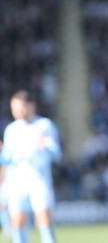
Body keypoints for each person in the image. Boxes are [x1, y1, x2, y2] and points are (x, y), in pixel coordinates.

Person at [1, 90, 62, 243]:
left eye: (20, 107)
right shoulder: (11, 130)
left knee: (44, 222)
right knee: (17, 224)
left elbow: (57, 155)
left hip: (39, 183)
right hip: (17, 184)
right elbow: (7, 159)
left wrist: (46, 145)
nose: (17, 112)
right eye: (14, 108)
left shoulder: (44, 125)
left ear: (31, 106)